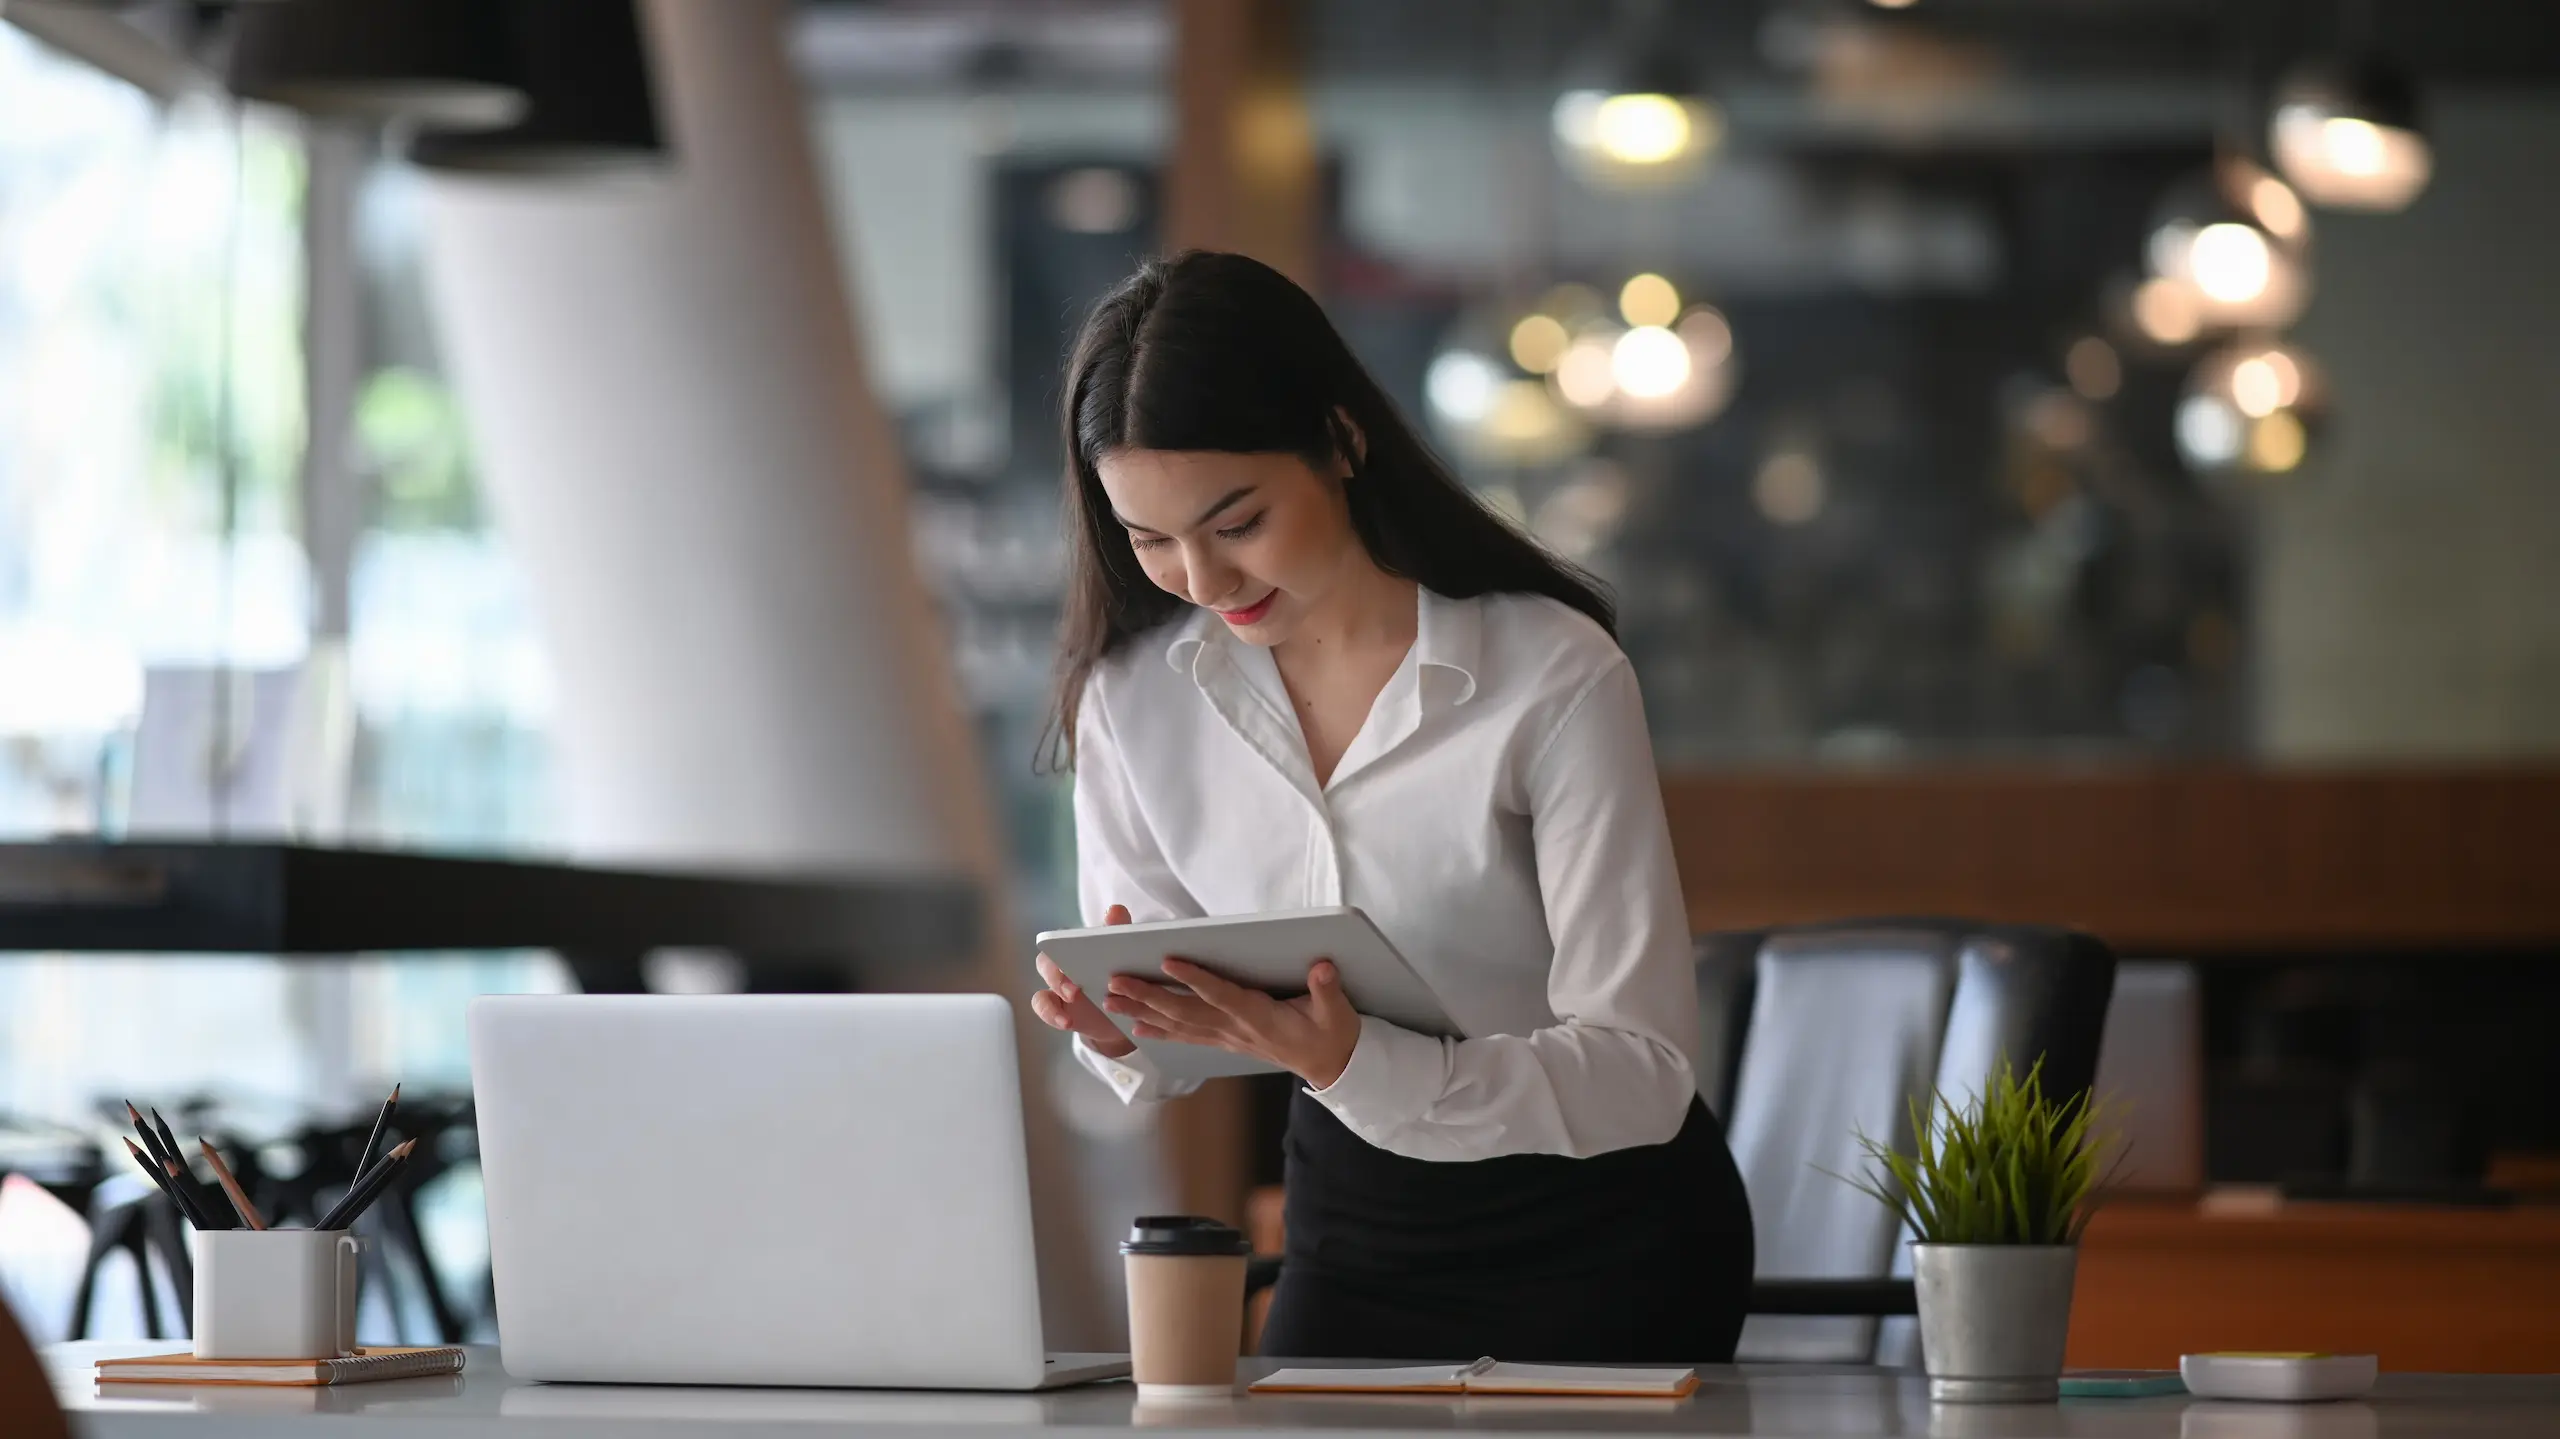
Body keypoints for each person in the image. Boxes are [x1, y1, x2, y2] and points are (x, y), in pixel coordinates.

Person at [1030, 251, 1753, 1363]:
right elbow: (1178, 1031)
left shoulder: (1549, 672)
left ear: (1341, 440)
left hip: (1604, 1231)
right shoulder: (1132, 700)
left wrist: (1356, 1061)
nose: (1203, 581)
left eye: (1237, 522)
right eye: (1149, 539)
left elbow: (1644, 1071)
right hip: (1355, 1226)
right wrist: (1128, 1024)